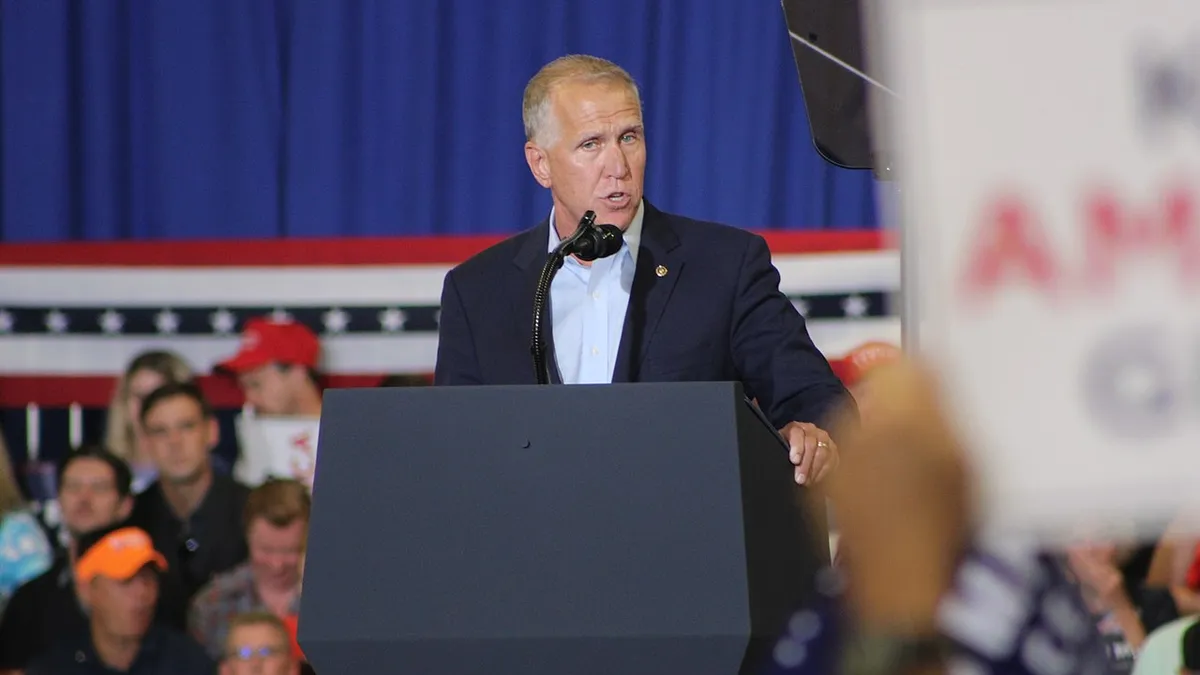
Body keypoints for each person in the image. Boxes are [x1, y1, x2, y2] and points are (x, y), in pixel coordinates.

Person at [434, 54, 851, 485]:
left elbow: (818, 400)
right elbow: (451, 449)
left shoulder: (724, 266)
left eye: (629, 137)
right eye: (591, 144)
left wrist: (811, 438)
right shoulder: (478, 292)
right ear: (541, 164)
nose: (618, 167)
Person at [0, 445, 135, 670]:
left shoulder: (151, 592)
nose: (84, 498)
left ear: (125, 505)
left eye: (99, 488)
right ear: (59, 500)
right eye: (73, 487)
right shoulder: (29, 601)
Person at [25, 524, 214, 675]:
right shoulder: (53, 669)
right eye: (126, 581)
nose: (142, 593)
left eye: (148, 580)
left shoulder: (188, 663)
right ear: (86, 590)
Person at [104, 350, 195, 494]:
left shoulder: (208, 477)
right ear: (123, 403)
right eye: (139, 396)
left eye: (158, 396)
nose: (147, 407)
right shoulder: (99, 472)